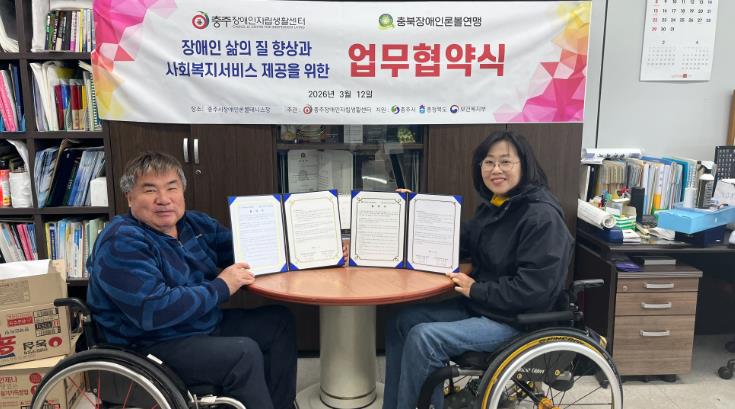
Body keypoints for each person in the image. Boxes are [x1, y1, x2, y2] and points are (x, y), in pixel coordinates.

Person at [86, 151, 297, 409]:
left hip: (196, 326)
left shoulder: (194, 224)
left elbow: (246, 250)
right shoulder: (122, 241)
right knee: (243, 354)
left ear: (182, 191)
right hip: (148, 343)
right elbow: (153, 311)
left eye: (171, 187)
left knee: (278, 323)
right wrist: (222, 286)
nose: (164, 199)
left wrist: (305, 247)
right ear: (130, 197)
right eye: (150, 190)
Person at [383, 131, 574, 409]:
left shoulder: (542, 217)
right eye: (488, 162)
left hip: (517, 320)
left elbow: (534, 290)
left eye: (505, 162)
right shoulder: (498, 206)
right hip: (485, 306)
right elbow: (458, 241)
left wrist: (476, 289)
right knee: (401, 321)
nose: (496, 169)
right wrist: (414, 211)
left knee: (425, 337)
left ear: (524, 165)